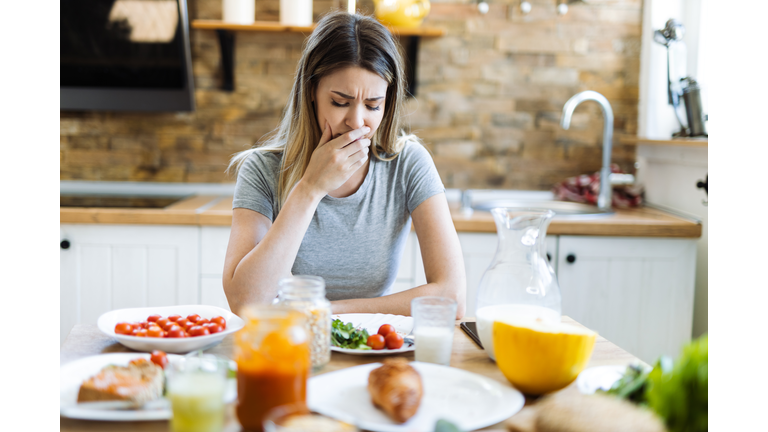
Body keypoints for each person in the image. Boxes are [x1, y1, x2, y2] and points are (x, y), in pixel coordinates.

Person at [223, 11, 466, 318]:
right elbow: (245, 303)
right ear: (312, 92)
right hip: (288, 347)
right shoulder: (261, 169)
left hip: (372, 347)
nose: (356, 121)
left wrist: (325, 312)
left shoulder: (408, 164)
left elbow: (453, 297)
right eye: (340, 102)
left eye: (373, 105)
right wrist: (310, 188)